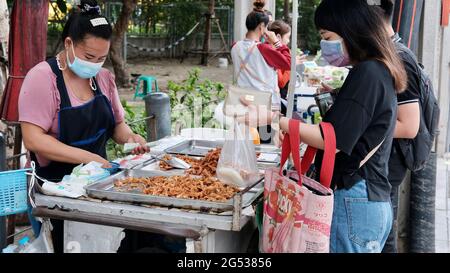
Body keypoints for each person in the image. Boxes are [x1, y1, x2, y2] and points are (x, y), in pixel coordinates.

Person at [240, 0, 408, 253]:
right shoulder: (377, 70)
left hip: (355, 197)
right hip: (367, 199)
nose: (324, 44)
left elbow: (335, 140)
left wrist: (276, 120)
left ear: (351, 30)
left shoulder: (369, 73)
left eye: (327, 36)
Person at [18, 0, 148, 252]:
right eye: (89, 57)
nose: (95, 64)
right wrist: (88, 158)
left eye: (101, 58)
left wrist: (131, 138)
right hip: (54, 191)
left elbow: (117, 126)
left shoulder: (103, 78)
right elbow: (34, 139)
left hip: (98, 187)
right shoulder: (43, 78)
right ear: (68, 44)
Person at [374, 0, 421, 253]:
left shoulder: (398, 58)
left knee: (385, 239)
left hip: (389, 163)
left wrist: (362, 127)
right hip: (384, 161)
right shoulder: (389, 53)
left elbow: (409, 126)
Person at [231, 4, 291, 143]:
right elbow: (288, 63)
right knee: (265, 143)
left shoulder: (235, 46)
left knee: (248, 143)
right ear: (261, 27)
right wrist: (276, 41)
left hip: (244, 104)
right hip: (263, 106)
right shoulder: (263, 49)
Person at [267, 20, 307, 116]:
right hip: (274, 101)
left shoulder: (278, 51)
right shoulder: (273, 53)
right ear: (278, 37)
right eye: (288, 37)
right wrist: (291, 66)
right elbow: (281, 82)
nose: (288, 41)